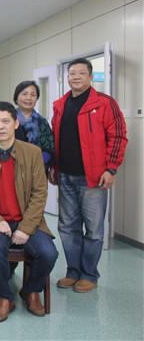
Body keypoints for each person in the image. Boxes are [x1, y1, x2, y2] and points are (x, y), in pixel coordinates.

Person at [0, 102, 58, 323]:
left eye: (5, 121)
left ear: (16, 123)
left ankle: (31, 291)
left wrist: (26, 228)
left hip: (29, 221)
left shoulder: (32, 153)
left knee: (48, 253)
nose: (0, 126)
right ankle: (4, 297)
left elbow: (40, 193)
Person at [50, 58, 127, 293]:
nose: (76, 77)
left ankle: (89, 274)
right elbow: (56, 139)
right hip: (65, 175)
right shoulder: (60, 105)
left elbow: (118, 137)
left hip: (93, 177)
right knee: (67, 227)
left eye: (81, 73)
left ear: (91, 77)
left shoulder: (104, 103)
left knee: (93, 230)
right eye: (72, 73)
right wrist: (54, 166)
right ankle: (73, 272)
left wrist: (111, 168)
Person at [13, 81, 55, 173]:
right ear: (16, 98)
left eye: (33, 95)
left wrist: (34, 164)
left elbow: (50, 148)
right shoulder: (8, 120)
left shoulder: (42, 122)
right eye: (24, 94)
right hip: (12, 171)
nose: (28, 98)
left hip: (38, 171)